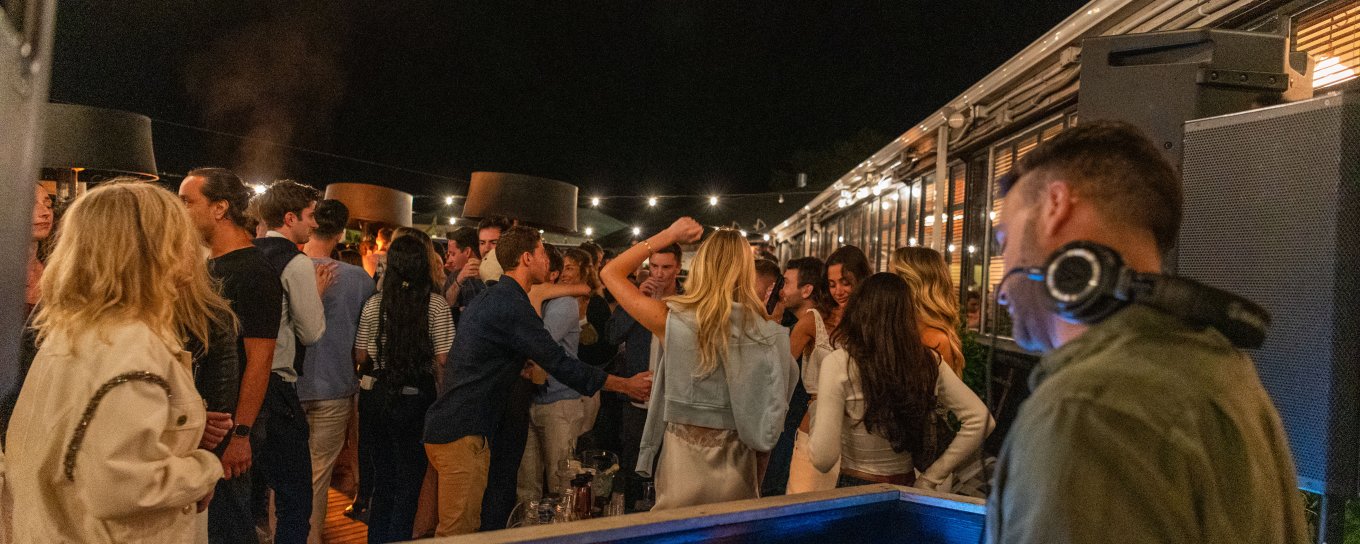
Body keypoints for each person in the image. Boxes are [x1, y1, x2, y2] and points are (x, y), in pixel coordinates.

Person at [986, 121, 1307, 542]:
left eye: (1004, 239)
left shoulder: (1088, 410)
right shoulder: (1222, 371)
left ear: (1054, 206)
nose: (1000, 284)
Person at [6, 181, 230, 542]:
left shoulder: (76, 327)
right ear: (153, 248)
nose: (191, 247)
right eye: (179, 234)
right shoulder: (131, 345)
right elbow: (121, 486)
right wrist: (204, 469)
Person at [422, 226, 651, 536]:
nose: (550, 262)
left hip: (450, 425)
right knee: (458, 533)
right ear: (528, 258)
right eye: (544, 253)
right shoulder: (512, 305)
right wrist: (625, 384)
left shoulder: (494, 296)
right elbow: (559, 362)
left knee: (447, 526)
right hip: (463, 432)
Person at [601, 218, 797, 510]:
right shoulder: (767, 334)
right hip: (735, 469)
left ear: (701, 265)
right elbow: (767, 428)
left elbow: (610, 272)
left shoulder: (671, 319)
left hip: (681, 467)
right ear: (745, 271)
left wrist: (668, 234)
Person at [809, 273, 989, 489]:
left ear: (859, 311)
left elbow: (823, 459)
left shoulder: (839, 363)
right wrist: (931, 477)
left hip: (854, 487)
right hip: (907, 489)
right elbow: (981, 419)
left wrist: (815, 409)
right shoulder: (928, 361)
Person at [180, 167, 283, 544]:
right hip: (206, 421)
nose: (180, 210)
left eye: (188, 201)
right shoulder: (208, 265)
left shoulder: (253, 272)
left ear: (220, 208)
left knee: (229, 525)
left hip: (230, 427)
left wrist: (241, 434)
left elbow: (260, 360)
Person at [356, 236, 454, 543]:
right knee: (409, 482)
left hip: (376, 397)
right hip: (415, 399)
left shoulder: (375, 303)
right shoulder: (435, 304)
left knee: (382, 480)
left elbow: (360, 356)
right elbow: (444, 357)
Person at [252, 180, 330, 544]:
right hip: (277, 389)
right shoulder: (296, 262)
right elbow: (312, 332)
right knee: (295, 499)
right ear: (289, 217)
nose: (314, 225)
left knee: (248, 496)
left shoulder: (246, 253)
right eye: (310, 216)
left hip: (241, 383)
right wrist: (315, 294)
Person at [298, 200, 374, 543]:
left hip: (290, 385)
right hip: (337, 384)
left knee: (283, 473)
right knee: (317, 475)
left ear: (310, 223)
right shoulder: (359, 280)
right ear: (342, 232)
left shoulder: (287, 267)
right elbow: (366, 338)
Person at [786, 245, 870, 494]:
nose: (839, 291)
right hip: (815, 422)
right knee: (801, 503)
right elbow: (781, 372)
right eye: (832, 284)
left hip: (859, 433)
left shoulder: (871, 323)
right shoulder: (814, 320)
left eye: (845, 282)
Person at [607, 242, 681, 507]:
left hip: (671, 403)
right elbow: (613, 335)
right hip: (637, 400)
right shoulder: (636, 297)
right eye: (655, 267)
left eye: (666, 267)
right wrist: (636, 299)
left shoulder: (686, 302)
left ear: (678, 269)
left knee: (668, 474)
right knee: (632, 471)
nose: (659, 274)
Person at [516, 245, 586, 503]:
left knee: (561, 484)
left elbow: (537, 344)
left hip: (560, 402)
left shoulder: (564, 304)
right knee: (526, 486)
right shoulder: (529, 299)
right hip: (532, 399)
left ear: (552, 274)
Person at [759, 257, 831, 496]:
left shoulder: (807, 322)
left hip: (801, 421)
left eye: (786, 283)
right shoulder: (820, 318)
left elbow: (777, 371)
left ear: (807, 289)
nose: (781, 290)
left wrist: (771, 320)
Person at [563, 248, 615, 454]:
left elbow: (605, 348)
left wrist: (583, 319)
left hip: (586, 384)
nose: (564, 273)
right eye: (562, 268)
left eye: (569, 268)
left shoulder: (597, 304)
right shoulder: (554, 299)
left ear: (584, 271)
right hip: (559, 386)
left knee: (580, 439)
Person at [890, 247, 964, 376]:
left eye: (892, 278)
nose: (886, 286)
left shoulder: (934, 340)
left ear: (912, 284)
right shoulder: (909, 329)